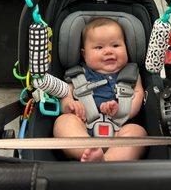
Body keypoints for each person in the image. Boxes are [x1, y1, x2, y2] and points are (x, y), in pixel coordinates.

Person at [53, 17, 147, 162]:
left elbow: (138, 95)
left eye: (116, 45)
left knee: (138, 133)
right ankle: (88, 151)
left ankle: (106, 161)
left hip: (118, 130)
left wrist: (122, 109)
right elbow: (65, 94)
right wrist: (69, 105)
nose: (109, 51)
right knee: (64, 122)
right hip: (83, 128)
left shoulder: (131, 74)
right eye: (99, 47)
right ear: (84, 54)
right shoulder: (78, 74)